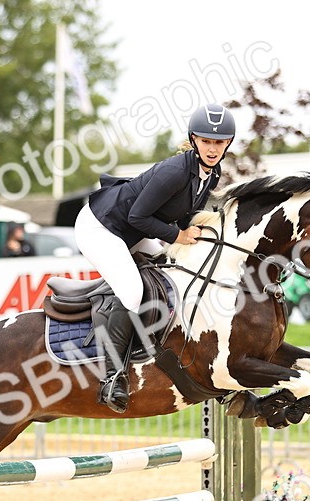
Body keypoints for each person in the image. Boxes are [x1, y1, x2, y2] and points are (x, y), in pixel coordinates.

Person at [76, 102, 234, 413]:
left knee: (172, 270)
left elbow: (184, 215)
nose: (212, 149)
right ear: (193, 140)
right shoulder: (174, 172)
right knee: (132, 291)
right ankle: (112, 378)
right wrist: (178, 236)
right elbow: (137, 216)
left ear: (228, 143)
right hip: (100, 226)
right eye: (206, 141)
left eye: (219, 142)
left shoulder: (210, 174)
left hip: (132, 230)